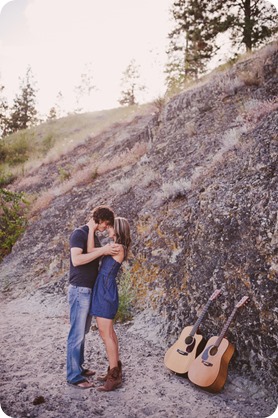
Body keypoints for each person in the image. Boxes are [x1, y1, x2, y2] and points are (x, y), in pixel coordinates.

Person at [66, 205, 121, 389]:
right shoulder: (78, 234)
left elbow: (92, 252)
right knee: (76, 333)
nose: (106, 228)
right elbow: (77, 260)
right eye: (106, 224)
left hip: (89, 291)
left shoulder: (92, 235)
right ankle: (74, 376)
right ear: (101, 220)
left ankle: (79, 368)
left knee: (83, 332)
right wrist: (102, 251)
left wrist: (101, 249)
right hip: (79, 289)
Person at [87, 216, 131, 391]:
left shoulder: (116, 247)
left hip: (105, 291)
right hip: (104, 289)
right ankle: (115, 370)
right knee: (109, 333)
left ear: (118, 229)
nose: (108, 229)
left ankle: (114, 376)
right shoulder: (116, 247)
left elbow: (91, 251)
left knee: (105, 335)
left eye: (111, 226)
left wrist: (91, 229)